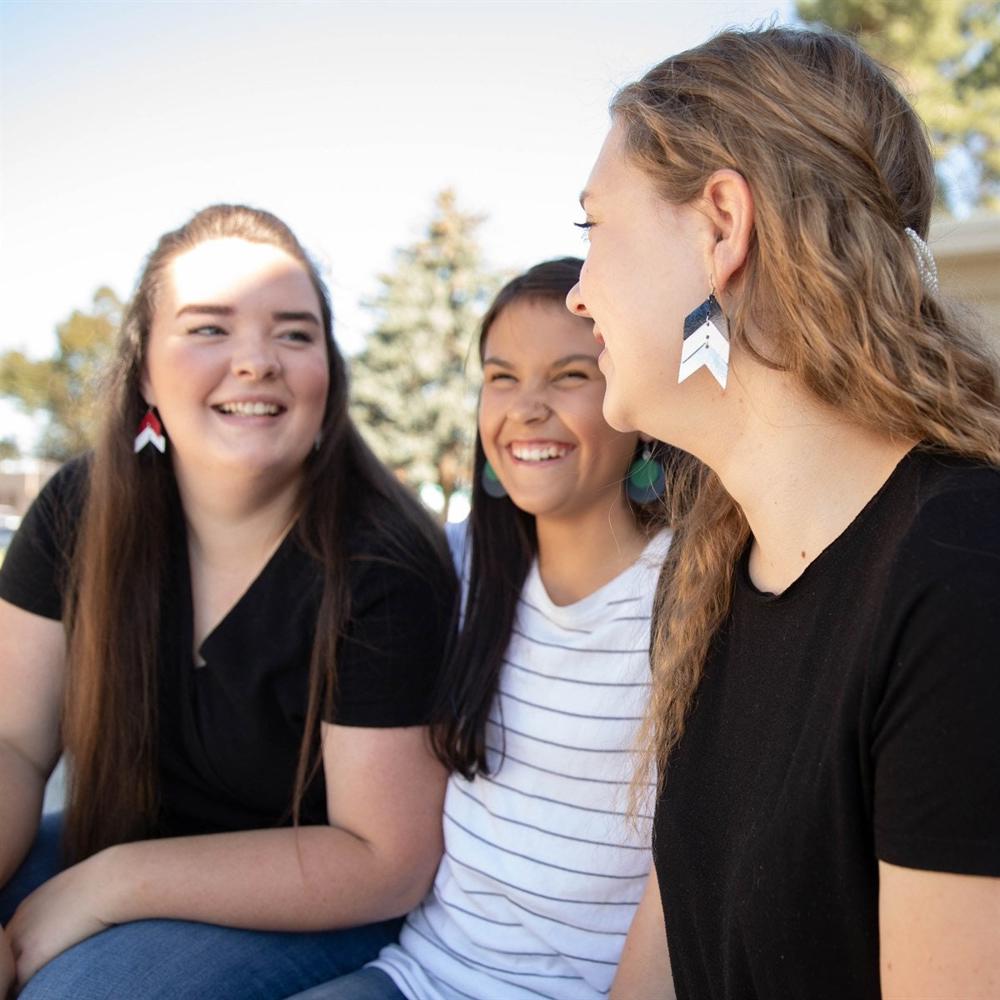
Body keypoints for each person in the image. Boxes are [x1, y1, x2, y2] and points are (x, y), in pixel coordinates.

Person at [564, 24, 1000, 1000]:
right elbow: (673, 933)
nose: (579, 294)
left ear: (722, 225)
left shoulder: (963, 577)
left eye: (593, 231)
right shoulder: (708, 561)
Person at [0, 204, 457, 1000]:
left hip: (319, 901)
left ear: (329, 372)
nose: (257, 362)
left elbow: (385, 860)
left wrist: (111, 885)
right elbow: (12, 744)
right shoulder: (79, 508)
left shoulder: (383, 564)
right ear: (145, 369)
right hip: (124, 844)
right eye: (209, 328)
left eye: (294, 333)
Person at [289, 257, 672, 1000]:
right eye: (501, 376)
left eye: (570, 375)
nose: (526, 407)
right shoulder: (455, 569)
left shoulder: (689, 593)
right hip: (420, 976)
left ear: (633, 397)